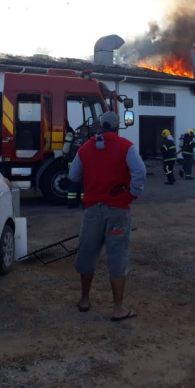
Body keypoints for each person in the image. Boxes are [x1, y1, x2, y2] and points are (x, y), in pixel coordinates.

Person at [67, 111, 146, 322]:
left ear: (99, 126)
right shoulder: (126, 146)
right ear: (117, 126)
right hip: (118, 210)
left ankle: (84, 299)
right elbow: (140, 171)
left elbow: (73, 176)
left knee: (87, 252)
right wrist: (132, 194)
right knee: (117, 255)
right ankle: (118, 308)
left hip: (93, 209)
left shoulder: (85, 148)